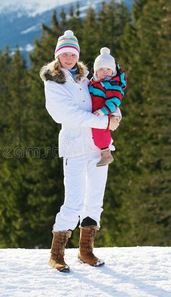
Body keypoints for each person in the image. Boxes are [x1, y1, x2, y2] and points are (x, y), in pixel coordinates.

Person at [40, 30, 121, 273]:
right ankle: (56, 254)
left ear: (77, 55)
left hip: (98, 149)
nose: (68, 57)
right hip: (74, 148)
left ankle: (86, 251)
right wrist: (105, 123)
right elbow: (66, 115)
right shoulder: (54, 83)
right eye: (64, 53)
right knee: (73, 203)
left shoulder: (87, 80)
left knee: (94, 202)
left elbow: (106, 99)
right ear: (57, 56)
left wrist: (115, 115)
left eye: (72, 53)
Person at [89, 47, 127, 166]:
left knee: (99, 131)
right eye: (101, 69)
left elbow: (114, 101)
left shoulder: (112, 84)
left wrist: (102, 111)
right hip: (95, 111)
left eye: (108, 69)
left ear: (113, 72)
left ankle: (106, 154)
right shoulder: (93, 82)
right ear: (95, 72)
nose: (105, 71)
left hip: (103, 111)